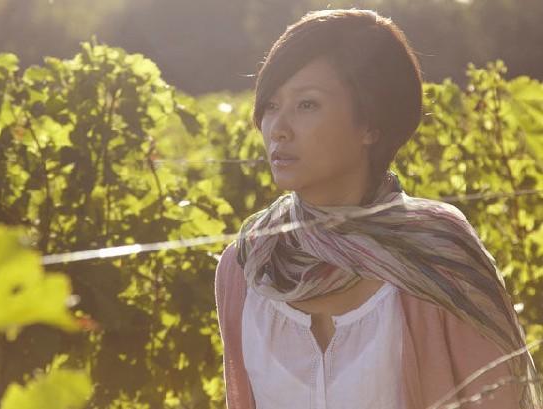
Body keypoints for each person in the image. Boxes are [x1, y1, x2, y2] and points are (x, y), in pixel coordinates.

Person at [214, 8, 543, 409]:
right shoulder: (247, 267)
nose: (278, 129)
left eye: (307, 105)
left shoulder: (436, 260)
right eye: (270, 105)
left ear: (371, 124)